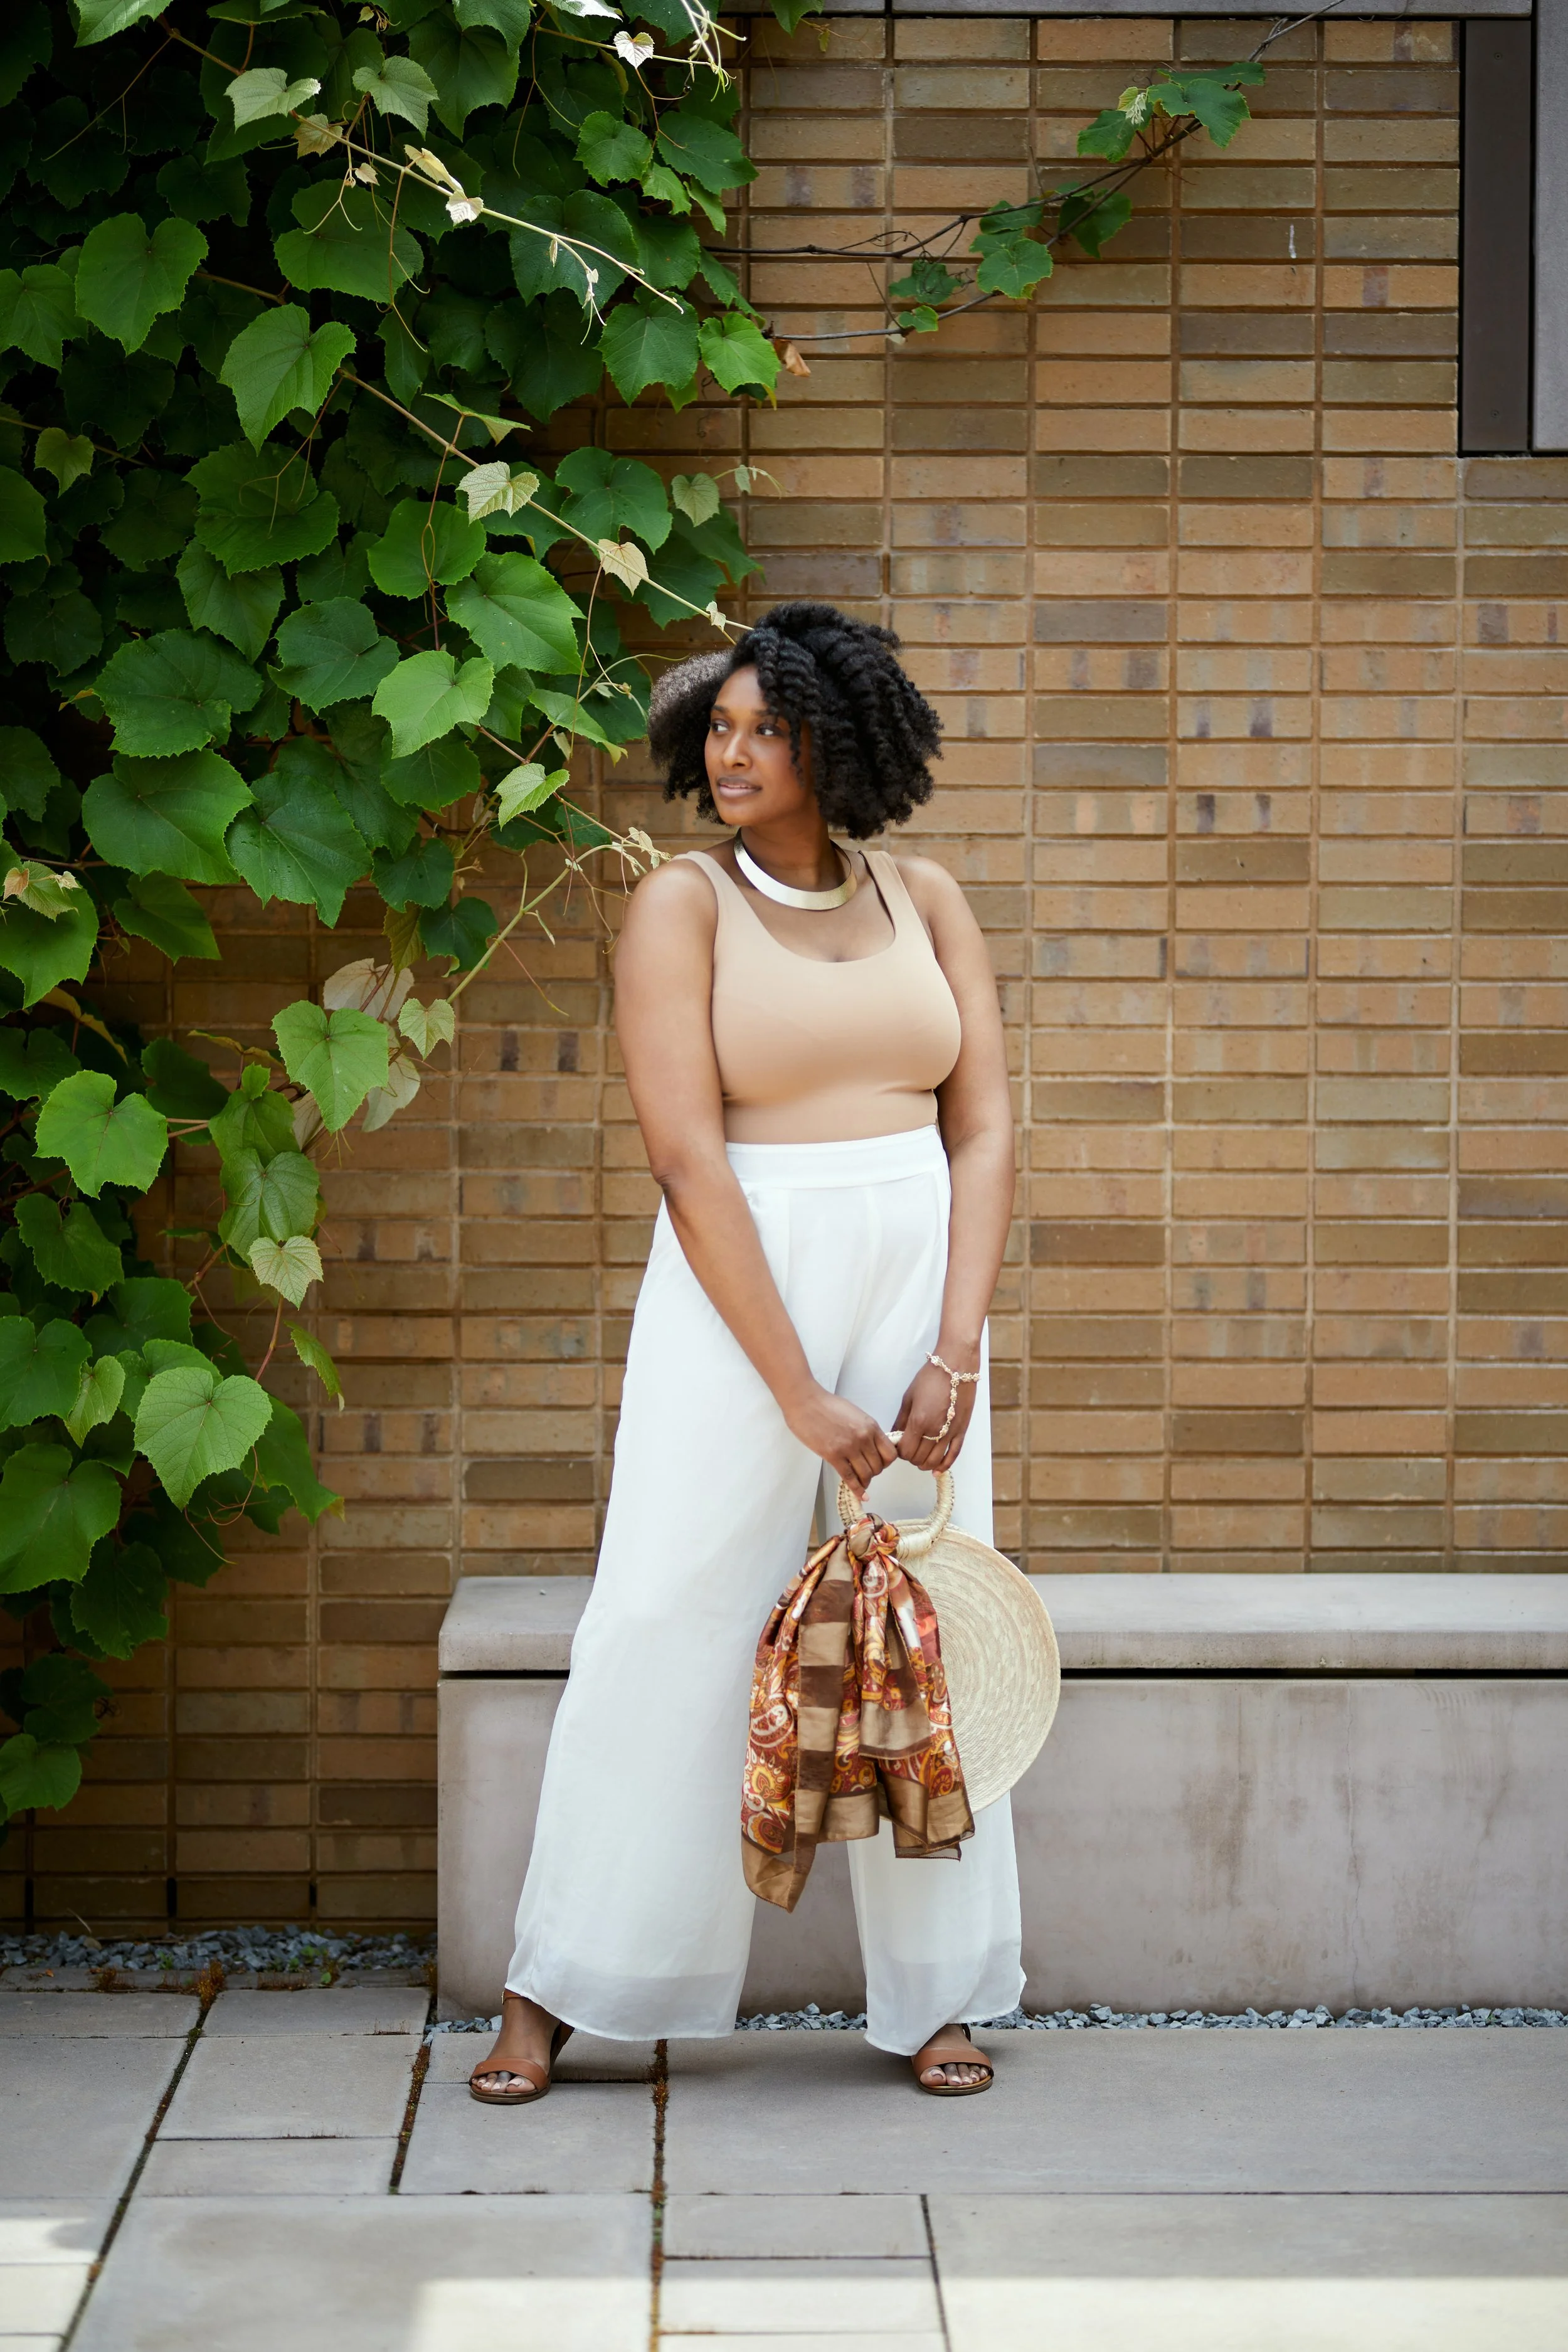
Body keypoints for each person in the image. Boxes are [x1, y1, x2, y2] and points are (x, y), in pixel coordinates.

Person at [472, 600, 1022, 2103]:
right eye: (716, 728)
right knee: (664, 1615)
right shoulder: (684, 910)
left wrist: (952, 1351)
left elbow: (978, 1123)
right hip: (740, 1294)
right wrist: (796, 1394)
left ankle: (938, 1995)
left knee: (918, 1635)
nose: (731, 752)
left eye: (764, 729)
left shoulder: (926, 898)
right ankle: (555, 1987)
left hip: (918, 1284)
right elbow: (685, 1160)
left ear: (836, 743)